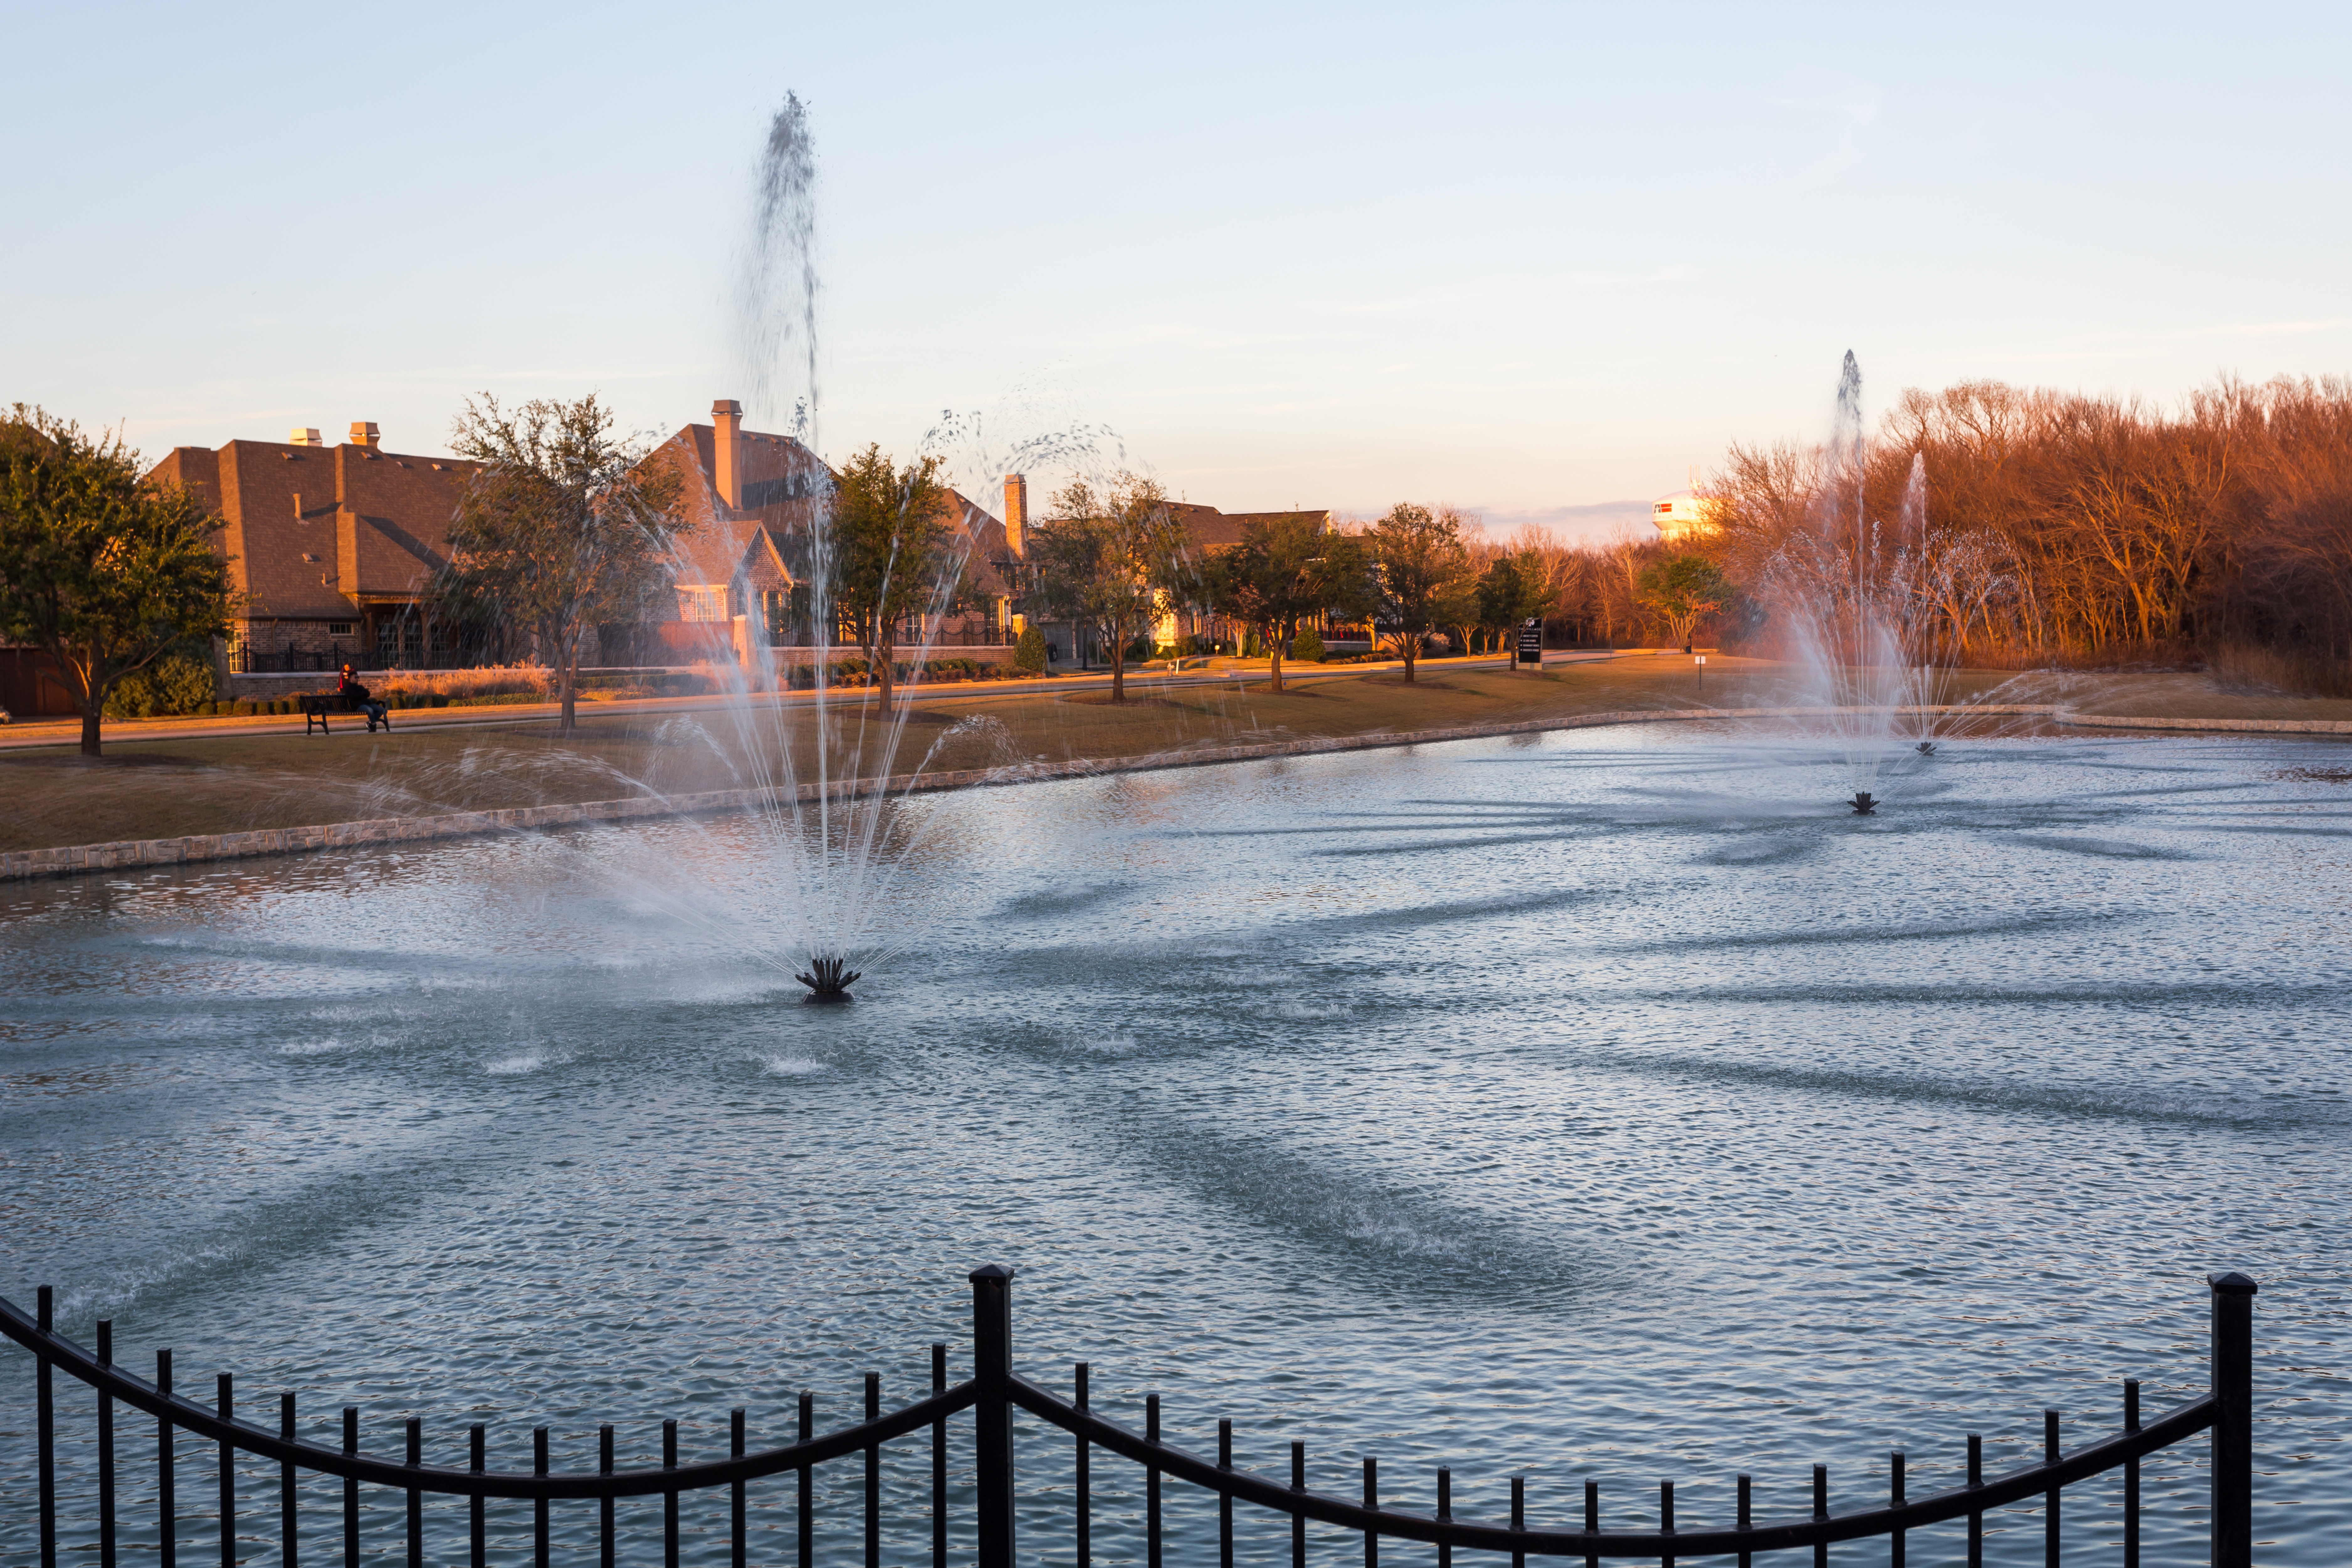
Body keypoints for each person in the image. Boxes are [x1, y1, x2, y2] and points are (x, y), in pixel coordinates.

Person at [337, 664, 389, 731]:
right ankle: (373, 725)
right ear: (350, 679)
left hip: (367, 704)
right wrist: (362, 694)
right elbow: (354, 697)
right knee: (370, 711)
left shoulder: (360, 687)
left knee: (382, 710)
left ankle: (371, 723)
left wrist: (362, 694)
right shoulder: (349, 688)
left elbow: (368, 694)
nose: (357, 679)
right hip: (358, 706)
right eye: (355, 677)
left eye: (357, 677)